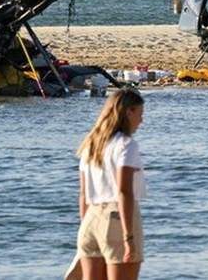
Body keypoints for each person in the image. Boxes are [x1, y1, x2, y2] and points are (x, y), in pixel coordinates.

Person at [75, 88, 146, 280]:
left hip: (90, 220)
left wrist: (86, 227)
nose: (141, 120)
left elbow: (83, 195)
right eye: (140, 114)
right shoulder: (125, 145)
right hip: (117, 218)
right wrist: (128, 237)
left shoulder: (90, 145)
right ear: (128, 112)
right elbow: (124, 191)